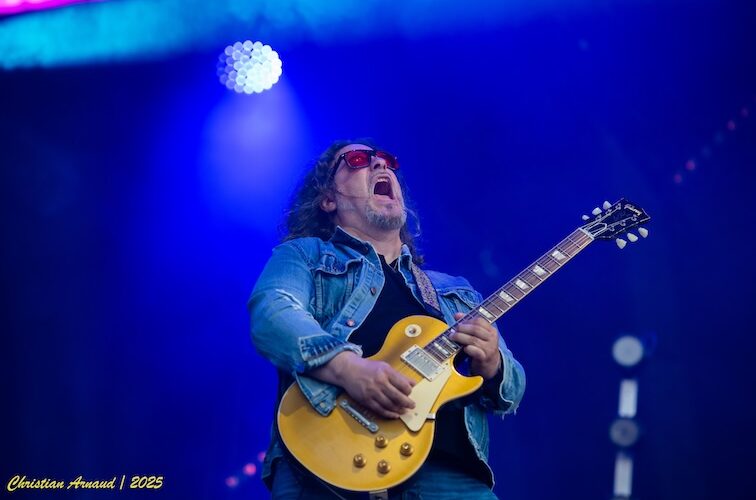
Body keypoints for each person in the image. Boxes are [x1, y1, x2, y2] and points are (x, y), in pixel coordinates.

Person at [248, 140, 526, 499]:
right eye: (358, 159)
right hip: (328, 463)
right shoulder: (305, 255)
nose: (381, 165)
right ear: (328, 199)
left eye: (387, 161)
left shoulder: (454, 291)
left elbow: (513, 389)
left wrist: (493, 363)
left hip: (451, 478)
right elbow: (273, 312)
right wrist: (349, 369)